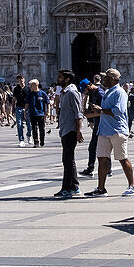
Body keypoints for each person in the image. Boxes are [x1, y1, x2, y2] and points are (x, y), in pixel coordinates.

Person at [85, 69, 134, 197]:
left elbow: (118, 111)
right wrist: (92, 113)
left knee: (122, 158)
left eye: (107, 78)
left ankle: (133, 186)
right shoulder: (108, 92)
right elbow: (104, 111)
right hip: (104, 130)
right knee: (102, 158)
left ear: (114, 79)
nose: (104, 80)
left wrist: (101, 110)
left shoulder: (120, 92)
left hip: (117, 130)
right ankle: (101, 188)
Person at [54, 70, 85, 198]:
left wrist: (78, 132)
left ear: (67, 79)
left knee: (68, 159)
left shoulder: (72, 93)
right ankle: (74, 186)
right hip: (65, 129)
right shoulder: (63, 93)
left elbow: (78, 114)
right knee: (68, 159)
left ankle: (67, 188)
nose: (58, 79)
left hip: (70, 130)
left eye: (60, 77)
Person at [27, 79, 49, 147]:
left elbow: (47, 102)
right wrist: (25, 111)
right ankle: (36, 142)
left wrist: (48, 111)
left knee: (41, 128)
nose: (31, 86)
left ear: (36, 85)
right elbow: (27, 103)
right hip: (32, 113)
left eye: (32, 85)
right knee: (34, 128)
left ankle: (42, 140)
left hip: (41, 113)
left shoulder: (42, 93)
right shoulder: (30, 94)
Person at [12, 75, 29, 147]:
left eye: (22, 79)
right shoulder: (16, 89)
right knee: (19, 124)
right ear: (17, 81)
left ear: (24, 79)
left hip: (27, 108)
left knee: (29, 124)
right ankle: (21, 140)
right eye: (19, 79)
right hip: (18, 107)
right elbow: (13, 99)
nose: (21, 80)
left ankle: (29, 135)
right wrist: (12, 108)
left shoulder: (28, 88)